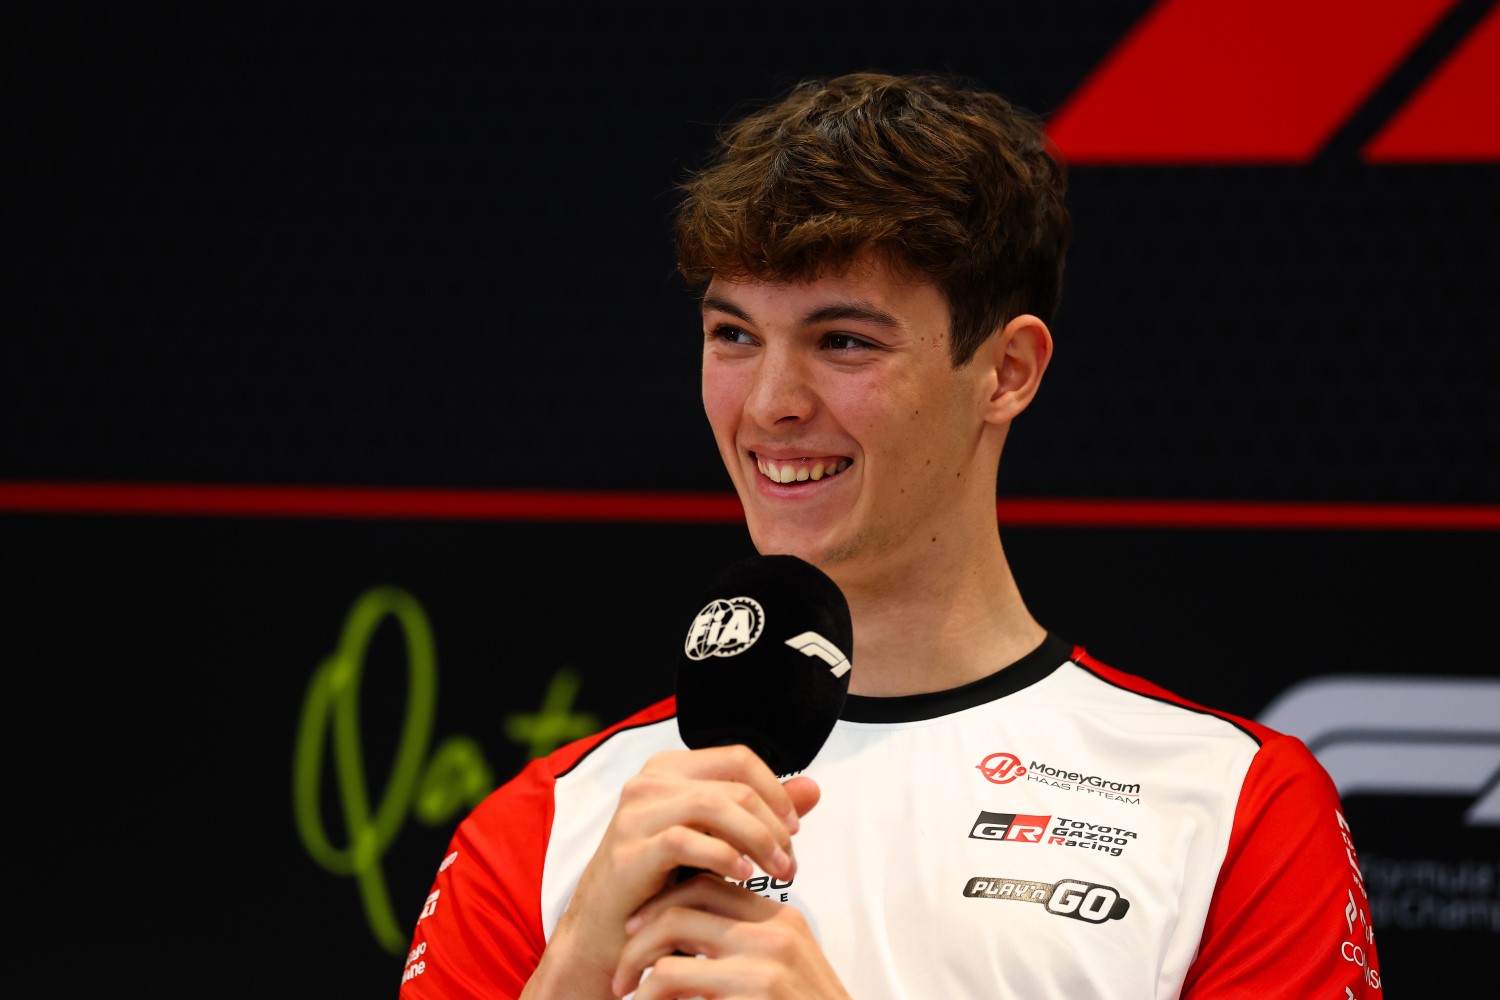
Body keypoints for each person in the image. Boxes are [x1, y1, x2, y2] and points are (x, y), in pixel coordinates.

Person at [398, 71, 1382, 998]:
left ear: (1007, 372)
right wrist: (569, 972)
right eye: (733, 334)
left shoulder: (1230, 808)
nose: (771, 404)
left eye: (844, 341)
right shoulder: (552, 825)